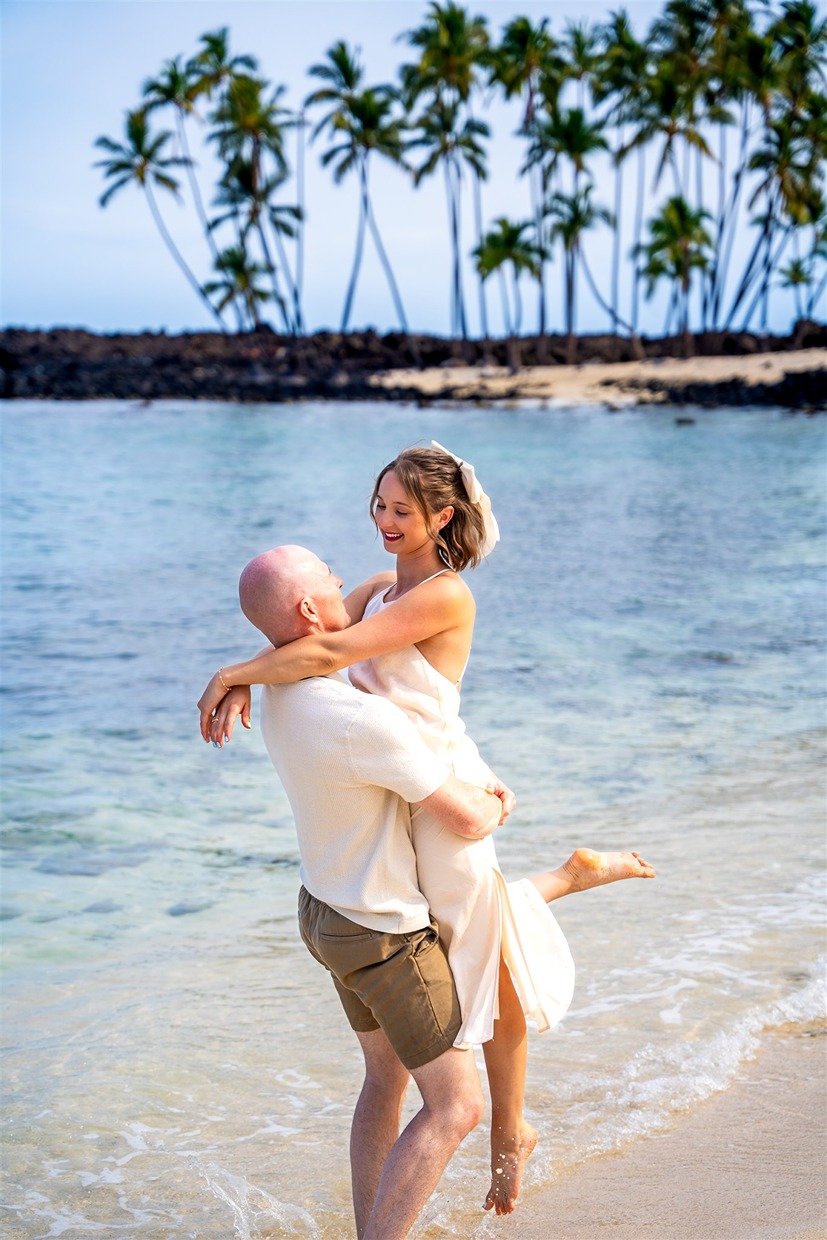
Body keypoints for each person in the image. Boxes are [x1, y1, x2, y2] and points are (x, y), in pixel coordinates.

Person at [198, 444, 655, 1215]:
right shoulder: (382, 587)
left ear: (442, 516)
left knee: (486, 955)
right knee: (472, 935)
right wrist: (248, 667)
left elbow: (332, 646)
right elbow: (317, 630)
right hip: (405, 784)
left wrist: (232, 674)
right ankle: (572, 876)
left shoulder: (446, 597)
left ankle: (507, 1132)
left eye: (401, 511)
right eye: (377, 504)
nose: (382, 522)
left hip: (437, 787)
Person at [230, 544, 510, 1240]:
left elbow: (367, 596)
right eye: (326, 572)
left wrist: (234, 672)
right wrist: (500, 798)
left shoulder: (281, 690)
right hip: (383, 934)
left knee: (384, 1081)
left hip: (323, 916)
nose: (340, 579)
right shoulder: (363, 720)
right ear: (306, 608)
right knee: (455, 1107)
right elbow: (467, 817)